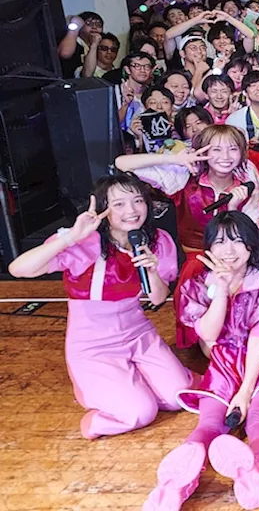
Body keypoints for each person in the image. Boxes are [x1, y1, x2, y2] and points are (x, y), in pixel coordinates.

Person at [6, 174, 190, 440]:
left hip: (138, 334)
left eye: (138, 201)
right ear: (103, 208)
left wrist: (151, 270)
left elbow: (159, 298)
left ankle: (132, 381)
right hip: (94, 343)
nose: (131, 210)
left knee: (177, 398)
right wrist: (69, 237)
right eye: (119, 204)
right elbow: (18, 269)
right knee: (140, 413)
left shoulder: (157, 240)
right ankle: (98, 415)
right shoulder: (85, 242)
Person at [145, 212, 259, 511]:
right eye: (219, 242)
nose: (228, 250)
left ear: (251, 245)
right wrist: (219, 291)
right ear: (208, 248)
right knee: (209, 422)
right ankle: (174, 485)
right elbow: (207, 333)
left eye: (236, 240)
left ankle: (253, 471)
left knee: (258, 414)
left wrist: (244, 393)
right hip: (223, 363)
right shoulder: (198, 285)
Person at [115, 124, 259, 350]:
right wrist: (175, 159)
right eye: (216, 149)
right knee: (207, 334)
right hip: (196, 262)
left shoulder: (246, 180)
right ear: (202, 151)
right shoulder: (184, 178)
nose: (225, 157)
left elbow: (253, 235)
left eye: (233, 149)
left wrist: (234, 208)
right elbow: (122, 163)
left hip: (236, 261)